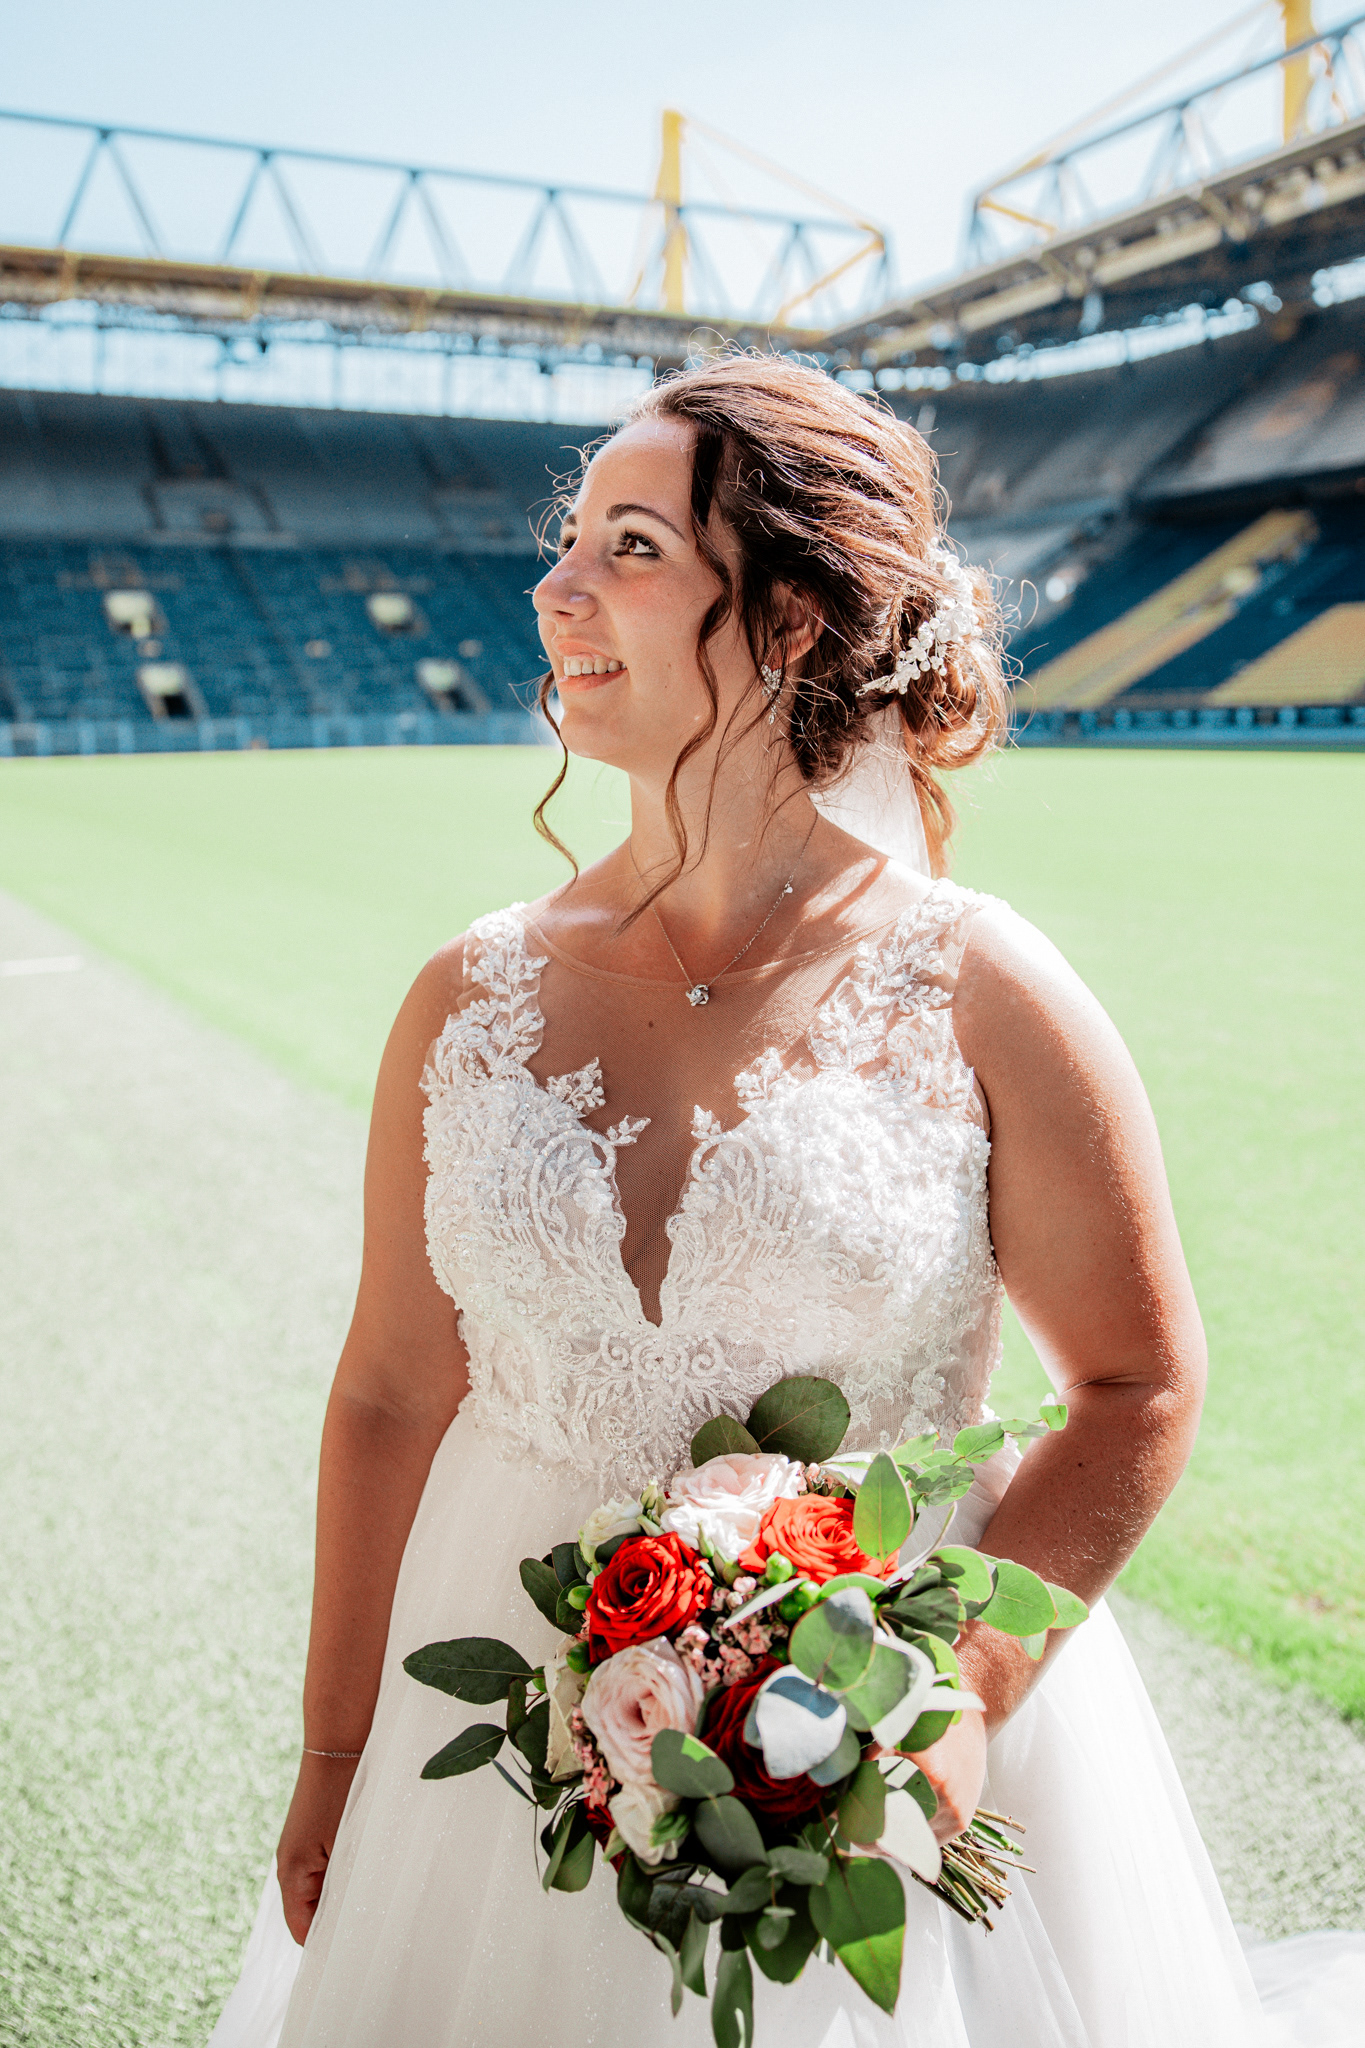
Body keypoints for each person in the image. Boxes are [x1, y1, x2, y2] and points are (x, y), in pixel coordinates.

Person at [209, 354, 1360, 2047]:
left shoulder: (980, 988)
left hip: (868, 1758)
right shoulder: (467, 999)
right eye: (569, 539)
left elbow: (1136, 1386)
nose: (555, 583)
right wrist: (333, 1757)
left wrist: (951, 1699)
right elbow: (392, 1389)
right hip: (495, 1761)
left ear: (797, 619)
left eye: (631, 546)